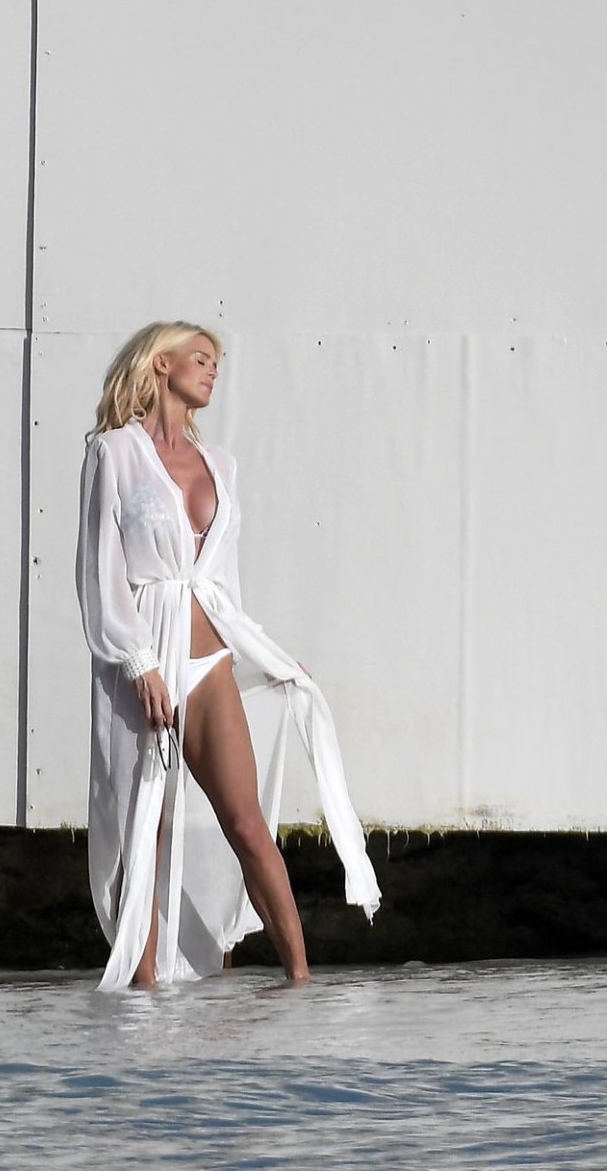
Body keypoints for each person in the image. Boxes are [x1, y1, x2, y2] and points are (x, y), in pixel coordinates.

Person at [76, 322, 380, 989]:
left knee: (246, 823)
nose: (213, 371)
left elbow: (221, 585)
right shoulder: (113, 452)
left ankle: (301, 980)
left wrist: (262, 653)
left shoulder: (222, 464)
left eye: (217, 362)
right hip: (144, 660)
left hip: (209, 661)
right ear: (161, 364)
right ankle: (144, 991)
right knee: (145, 827)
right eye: (201, 359)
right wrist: (138, 663)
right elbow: (99, 574)